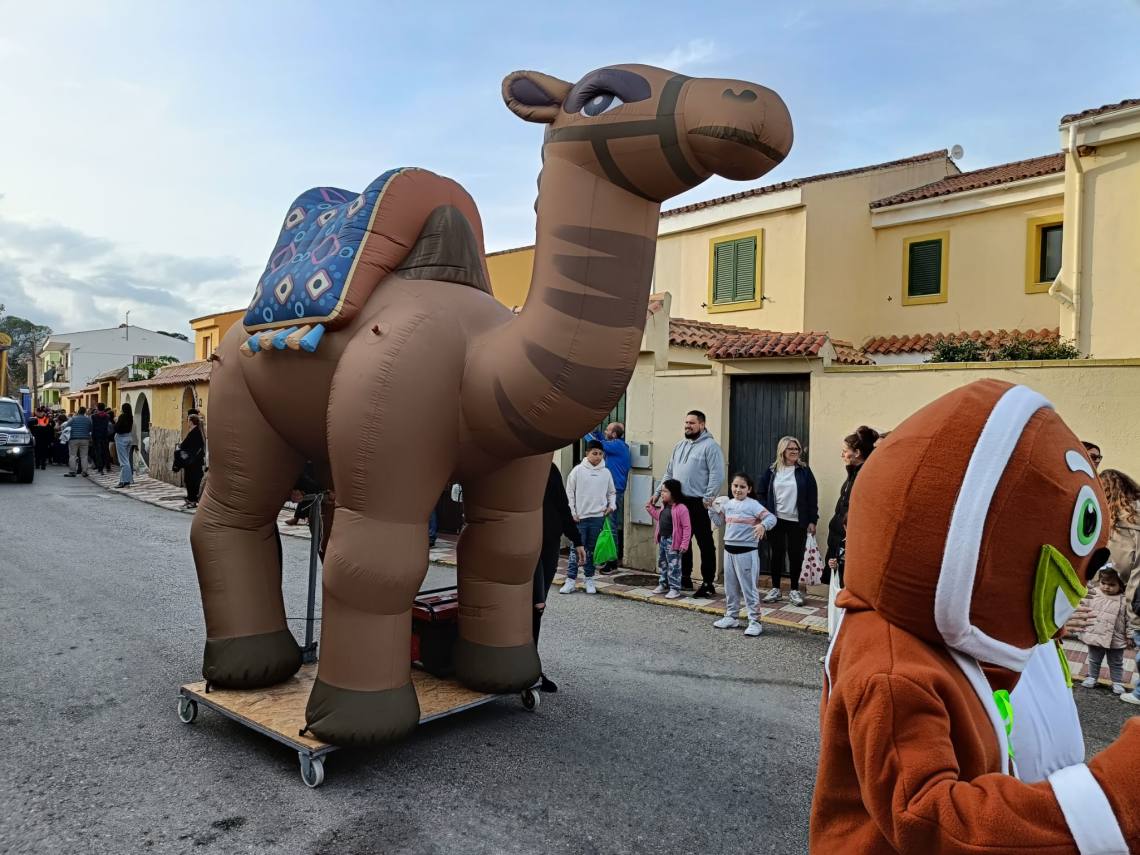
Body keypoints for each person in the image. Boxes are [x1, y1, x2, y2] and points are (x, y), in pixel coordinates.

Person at [658, 410, 725, 597]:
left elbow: (717, 475)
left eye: (692, 423)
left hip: (699, 503)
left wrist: (707, 499)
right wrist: (658, 493)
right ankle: (684, 578)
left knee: (705, 543)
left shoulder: (711, 447)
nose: (688, 426)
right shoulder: (679, 446)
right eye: (686, 422)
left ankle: (708, 583)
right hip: (679, 502)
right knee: (681, 540)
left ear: (702, 425)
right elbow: (669, 472)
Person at [533, 463, 586, 693]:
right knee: (530, 604)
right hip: (523, 543)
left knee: (537, 609)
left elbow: (562, 505)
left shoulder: (549, 468)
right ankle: (521, 664)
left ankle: (532, 666)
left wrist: (577, 539)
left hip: (549, 543)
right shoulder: (516, 462)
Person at [708, 472, 775, 636]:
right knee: (730, 587)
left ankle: (755, 621)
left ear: (749, 489)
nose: (738, 489)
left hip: (747, 552)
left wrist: (763, 526)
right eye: (735, 486)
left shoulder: (753, 505)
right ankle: (731, 617)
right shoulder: (727, 504)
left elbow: (771, 518)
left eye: (742, 487)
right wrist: (711, 509)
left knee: (749, 589)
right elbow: (719, 522)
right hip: (729, 551)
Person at [757, 436, 818, 606]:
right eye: (790, 448)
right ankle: (775, 589)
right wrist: (765, 513)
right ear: (782, 451)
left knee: (795, 555)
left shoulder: (804, 471)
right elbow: (761, 492)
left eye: (797, 449)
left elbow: (812, 496)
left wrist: (812, 520)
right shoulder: (772, 470)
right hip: (775, 520)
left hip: (797, 521)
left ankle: (794, 590)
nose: (794, 451)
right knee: (776, 553)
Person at [824, 426, 879, 586]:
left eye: (845, 451)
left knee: (844, 586)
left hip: (847, 542)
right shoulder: (853, 473)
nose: (842, 455)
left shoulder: (864, 476)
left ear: (857, 453)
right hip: (837, 538)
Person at [560, 440, 616, 595]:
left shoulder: (606, 472)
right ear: (587, 453)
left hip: (598, 517)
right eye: (594, 453)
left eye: (600, 454)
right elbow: (569, 493)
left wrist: (611, 506)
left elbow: (612, 492)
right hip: (580, 518)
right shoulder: (577, 471)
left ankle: (589, 578)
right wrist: (572, 512)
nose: (598, 457)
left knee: (591, 550)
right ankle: (571, 579)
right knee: (576, 549)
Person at [584, 422, 630, 572]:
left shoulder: (617, 446)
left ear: (614, 434)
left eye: (607, 430)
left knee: (611, 526)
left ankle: (612, 561)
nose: (605, 431)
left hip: (613, 492)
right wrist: (596, 431)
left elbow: (596, 445)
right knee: (606, 525)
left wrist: (584, 431)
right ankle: (606, 556)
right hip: (608, 490)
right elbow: (601, 440)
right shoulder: (617, 445)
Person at [1078, 566, 1130, 694]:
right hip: (1095, 633)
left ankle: (1117, 682)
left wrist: (1129, 635)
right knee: (1093, 659)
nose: (1106, 587)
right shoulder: (1093, 594)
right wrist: (1080, 624)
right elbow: (1082, 609)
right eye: (1103, 583)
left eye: (1112, 585)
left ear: (1121, 585)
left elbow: (1129, 619)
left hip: (1116, 638)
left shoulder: (1124, 600)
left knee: (1116, 662)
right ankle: (1092, 677)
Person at [645, 478, 691, 600]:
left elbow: (687, 527)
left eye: (665, 491)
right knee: (663, 563)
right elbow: (659, 517)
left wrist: (684, 544)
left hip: (673, 542)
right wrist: (650, 507)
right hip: (663, 539)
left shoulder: (681, 508)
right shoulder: (664, 506)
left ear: (674, 493)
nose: (662, 494)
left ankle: (675, 588)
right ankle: (663, 584)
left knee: (674, 565)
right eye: (662, 491)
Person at [179, 413, 205, 508]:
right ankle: (191, 499)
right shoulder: (197, 431)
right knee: (191, 480)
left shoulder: (194, 432)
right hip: (195, 461)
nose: (187, 422)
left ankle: (192, 500)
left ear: (191, 421)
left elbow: (185, 445)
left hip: (193, 462)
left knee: (191, 481)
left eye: (188, 420)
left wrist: (181, 446)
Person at [64, 407, 92, 478]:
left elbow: (66, 427)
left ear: (78, 411)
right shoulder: (88, 419)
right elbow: (90, 429)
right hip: (85, 439)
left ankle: (72, 472)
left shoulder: (73, 419)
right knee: (84, 456)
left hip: (73, 439)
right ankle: (84, 471)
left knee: (73, 455)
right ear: (84, 412)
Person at [114, 403, 134, 488]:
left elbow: (117, 428)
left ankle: (125, 481)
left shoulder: (122, 416)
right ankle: (123, 480)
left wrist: (116, 422)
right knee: (126, 460)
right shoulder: (131, 417)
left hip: (121, 438)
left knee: (123, 461)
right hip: (129, 437)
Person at [90, 402, 112, 474]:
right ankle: (108, 467)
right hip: (105, 435)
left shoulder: (93, 416)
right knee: (106, 451)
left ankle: (100, 468)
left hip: (96, 436)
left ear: (97, 408)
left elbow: (92, 426)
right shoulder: (107, 416)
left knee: (98, 452)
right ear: (104, 408)